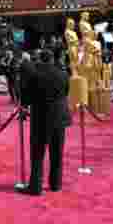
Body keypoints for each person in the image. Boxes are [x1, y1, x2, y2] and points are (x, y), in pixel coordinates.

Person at [19, 49, 70, 194]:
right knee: (57, 152)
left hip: (41, 117)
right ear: (52, 59)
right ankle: (56, 184)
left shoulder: (35, 75)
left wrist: (25, 105)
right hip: (59, 117)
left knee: (38, 153)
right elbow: (66, 92)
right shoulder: (63, 74)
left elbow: (27, 97)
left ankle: (35, 186)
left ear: (41, 59)